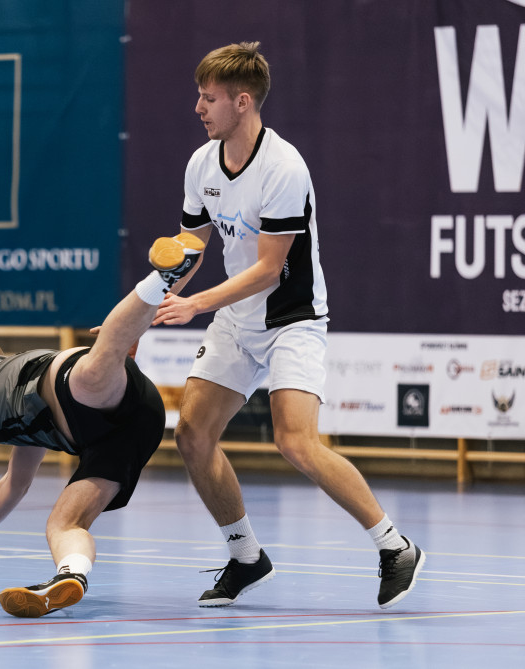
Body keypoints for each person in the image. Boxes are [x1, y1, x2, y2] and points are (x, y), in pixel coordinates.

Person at [150, 41, 425, 609]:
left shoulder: (284, 169)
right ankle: (246, 556)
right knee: (192, 435)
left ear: (242, 102)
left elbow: (268, 270)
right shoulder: (202, 163)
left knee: (295, 441)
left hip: (290, 319)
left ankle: (394, 545)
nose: (198, 108)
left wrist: (195, 305)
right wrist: (154, 296)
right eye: (199, 97)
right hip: (235, 318)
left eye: (209, 99)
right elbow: (191, 247)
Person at [0, 234, 207, 617]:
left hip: (80, 388)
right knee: (63, 523)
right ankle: (71, 575)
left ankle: (161, 279)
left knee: (102, 357)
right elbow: (13, 485)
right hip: (136, 423)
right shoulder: (19, 415)